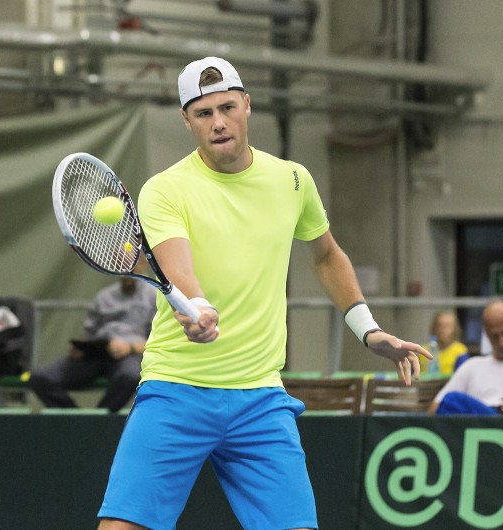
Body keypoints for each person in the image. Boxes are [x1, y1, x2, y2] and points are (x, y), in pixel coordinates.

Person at [97, 56, 431, 530]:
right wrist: (199, 308)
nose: (218, 123)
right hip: (176, 390)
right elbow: (177, 267)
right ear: (187, 121)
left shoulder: (292, 180)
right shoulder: (165, 189)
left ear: (247, 106)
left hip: (260, 398)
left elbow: (326, 255)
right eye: (203, 113)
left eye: (227, 108)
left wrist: (368, 329)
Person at [29, 276, 156, 412]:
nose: (127, 271)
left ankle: (100, 419)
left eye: (132, 266)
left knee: (130, 376)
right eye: (123, 266)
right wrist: (81, 347)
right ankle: (77, 420)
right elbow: (89, 333)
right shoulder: (104, 296)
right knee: (40, 378)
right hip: (95, 355)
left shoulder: (154, 296)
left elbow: (159, 339)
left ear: (143, 265)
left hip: (129, 356)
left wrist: (131, 348)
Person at [420, 310, 469, 375]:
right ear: (434, 328)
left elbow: (462, 376)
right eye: (439, 325)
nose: (442, 329)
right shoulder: (422, 351)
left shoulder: (460, 351)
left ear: (455, 329)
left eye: (447, 326)